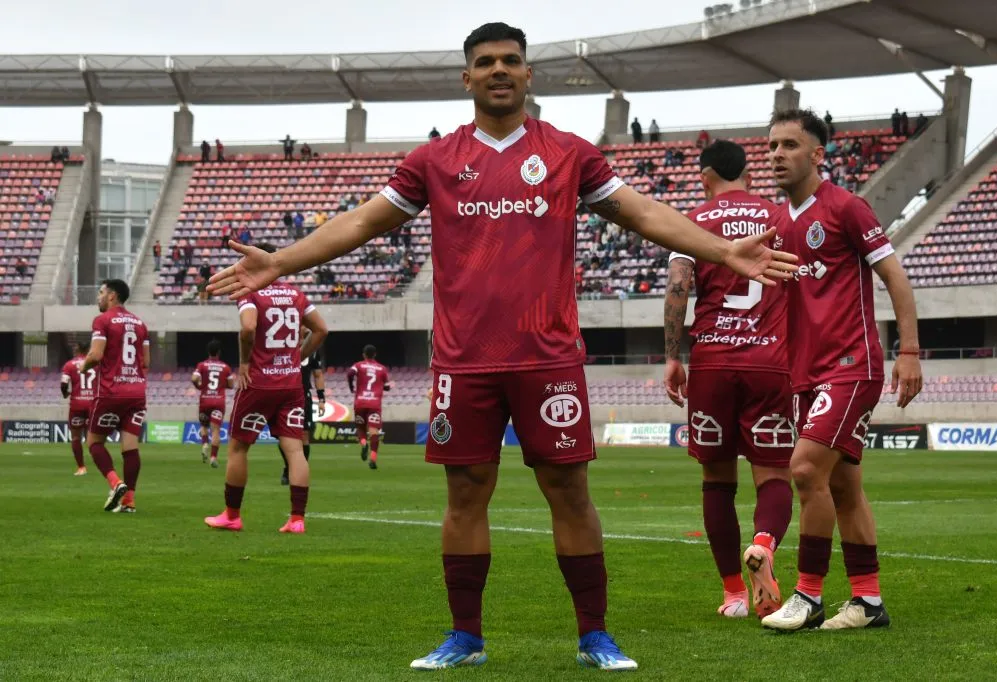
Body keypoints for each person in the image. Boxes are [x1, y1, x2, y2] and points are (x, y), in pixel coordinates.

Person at [207, 22, 795, 671]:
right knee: (465, 495)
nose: (498, 70)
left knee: (570, 493)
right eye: (485, 61)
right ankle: (465, 636)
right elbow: (362, 221)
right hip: (465, 361)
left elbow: (643, 213)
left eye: (510, 60)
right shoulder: (434, 161)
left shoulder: (569, 153)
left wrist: (720, 252)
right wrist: (280, 263)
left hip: (549, 359)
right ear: (467, 77)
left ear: (526, 74)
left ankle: (594, 634)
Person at [759, 109, 922, 632]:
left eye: (788, 145)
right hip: (805, 372)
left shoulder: (846, 208)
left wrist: (911, 351)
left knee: (805, 470)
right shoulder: (780, 221)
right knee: (846, 488)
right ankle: (868, 603)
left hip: (852, 364)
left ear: (817, 155)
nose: (777, 155)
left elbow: (894, 276)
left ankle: (807, 598)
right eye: (772, 146)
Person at [663, 139, 794, 621]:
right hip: (770, 362)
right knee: (774, 476)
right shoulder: (779, 219)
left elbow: (679, 286)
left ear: (704, 176)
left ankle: (735, 594)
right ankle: (763, 543)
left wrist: (673, 357)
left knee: (717, 483)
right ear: (750, 176)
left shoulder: (692, 221)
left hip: (713, 362)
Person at [204, 243, 327, 534]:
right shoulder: (296, 295)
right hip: (290, 383)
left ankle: (232, 515)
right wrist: (298, 355)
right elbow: (321, 329)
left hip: (259, 383)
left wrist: (245, 362)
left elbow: (248, 328)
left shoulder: (250, 292)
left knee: (238, 447)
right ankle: (297, 519)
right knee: (295, 450)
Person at [81, 279, 149, 514]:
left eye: (101, 292)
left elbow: (96, 355)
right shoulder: (140, 324)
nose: (98, 297)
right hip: (137, 392)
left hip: (111, 391)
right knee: (130, 447)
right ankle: (129, 501)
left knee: (94, 442)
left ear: (112, 296)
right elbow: (146, 361)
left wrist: (83, 367)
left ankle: (115, 483)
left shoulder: (103, 320)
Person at [279, 327, 325, 485]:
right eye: (303, 324)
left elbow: (318, 375)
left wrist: (321, 399)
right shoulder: (283, 348)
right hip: (285, 396)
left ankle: (300, 469)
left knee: (304, 434)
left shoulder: (312, 351)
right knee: (284, 436)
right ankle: (287, 467)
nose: (306, 327)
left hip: (304, 396)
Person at [346, 344, 392, 470]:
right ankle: (373, 458)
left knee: (360, 428)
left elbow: (350, 373)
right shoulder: (382, 369)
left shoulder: (359, 365)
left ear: (364, 354)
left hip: (360, 402)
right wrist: (385, 386)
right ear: (375, 354)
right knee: (373, 431)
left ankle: (363, 443)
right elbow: (387, 387)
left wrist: (352, 387)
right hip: (374, 404)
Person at [192, 339, 235, 468]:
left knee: (204, 426)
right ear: (219, 352)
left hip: (205, 400)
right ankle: (213, 457)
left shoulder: (202, 365)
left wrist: (199, 386)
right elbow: (231, 385)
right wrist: (222, 385)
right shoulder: (226, 367)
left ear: (208, 352)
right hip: (218, 402)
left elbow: (194, 378)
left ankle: (205, 443)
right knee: (216, 430)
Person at [61, 341, 96, 476]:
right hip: (93, 404)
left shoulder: (69, 365)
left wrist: (65, 394)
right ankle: (101, 464)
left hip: (77, 405)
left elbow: (64, 384)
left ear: (76, 350)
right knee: (93, 438)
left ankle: (81, 467)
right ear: (88, 351)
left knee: (76, 438)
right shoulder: (95, 364)